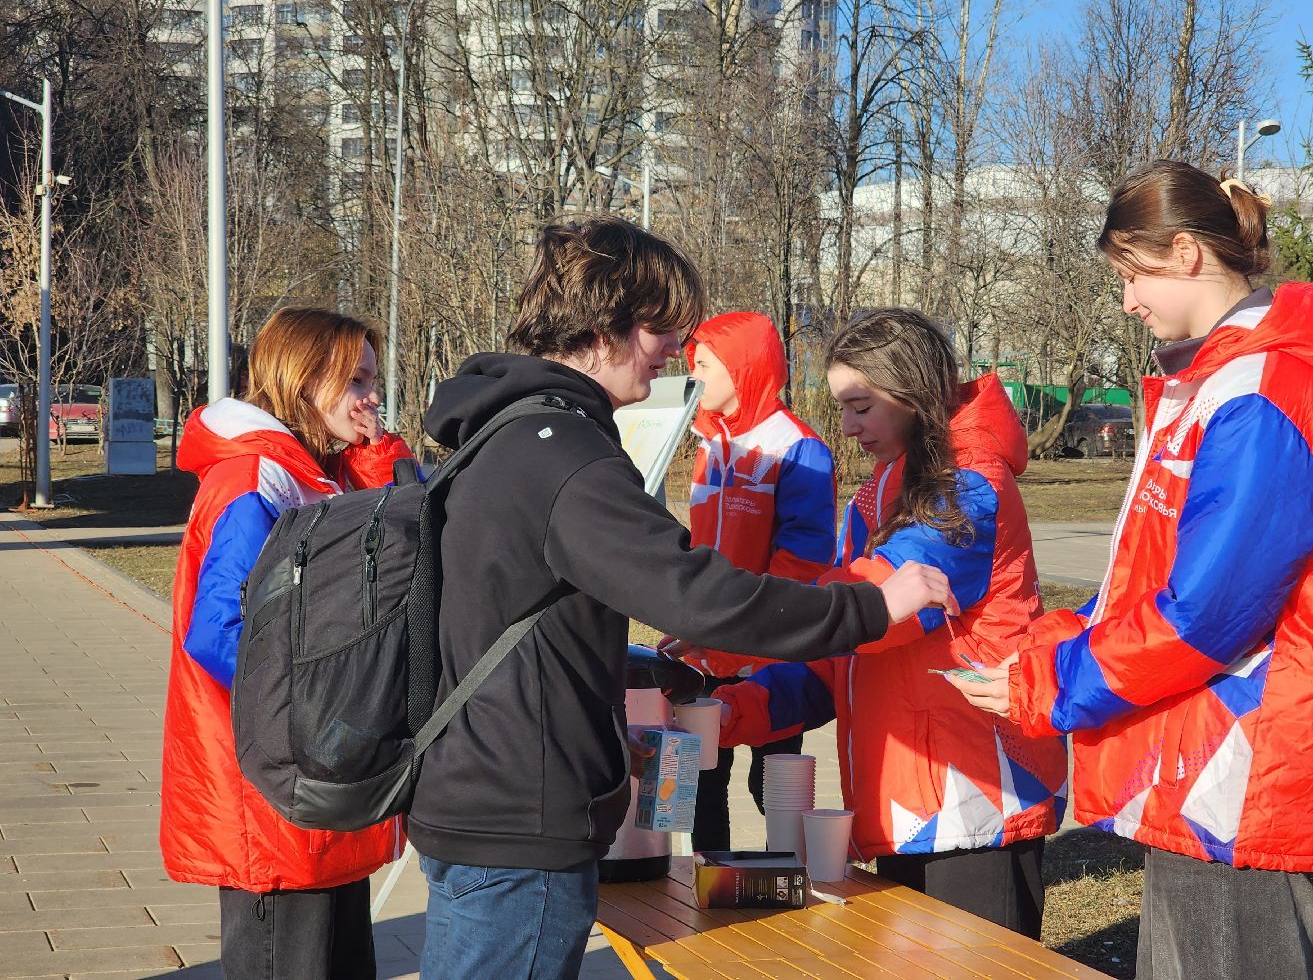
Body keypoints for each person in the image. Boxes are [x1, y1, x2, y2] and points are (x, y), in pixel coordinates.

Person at [408, 216, 952, 980]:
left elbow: (528, 617)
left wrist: (619, 688)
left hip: (482, 802)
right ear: (606, 327)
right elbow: (695, 590)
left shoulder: (505, 433)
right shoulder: (564, 455)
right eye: (664, 329)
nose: (675, 352)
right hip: (518, 826)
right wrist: (869, 608)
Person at [951, 160, 1313, 979]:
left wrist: (1049, 685)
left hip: (1237, 769)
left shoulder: (1263, 396)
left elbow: (1204, 613)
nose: (1126, 302)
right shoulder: (1212, 386)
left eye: (1131, 275)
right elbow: (1144, 582)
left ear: (1187, 253)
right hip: (1195, 761)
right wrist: (1044, 646)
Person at [715, 308, 1069, 937]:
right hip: (906, 795)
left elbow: (874, 613)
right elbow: (838, 659)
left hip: (973, 795)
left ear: (911, 393)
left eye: (860, 407)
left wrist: (736, 614)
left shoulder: (969, 489)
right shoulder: (875, 496)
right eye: (841, 408)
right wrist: (732, 710)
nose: (847, 427)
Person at [159, 307, 416, 979]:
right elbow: (218, 635)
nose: (371, 397)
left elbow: (403, 547)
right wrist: (327, 717)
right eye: (356, 380)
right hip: (279, 796)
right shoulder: (256, 480)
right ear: (303, 381)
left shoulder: (315, 472)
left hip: (323, 791)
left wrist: (377, 453)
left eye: (372, 379)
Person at [656, 311, 837, 851]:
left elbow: (803, 561)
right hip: (707, 644)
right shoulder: (709, 443)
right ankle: (710, 886)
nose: (695, 377)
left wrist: (743, 628)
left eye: (705, 366)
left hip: (770, 646)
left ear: (744, 369)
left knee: (774, 781)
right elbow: (703, 541)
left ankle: (800, 881)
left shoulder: (797, 447)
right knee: (702, 778)